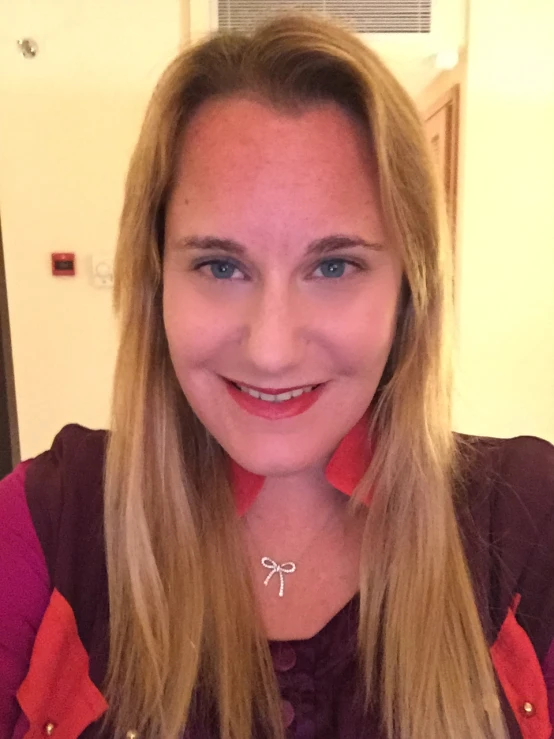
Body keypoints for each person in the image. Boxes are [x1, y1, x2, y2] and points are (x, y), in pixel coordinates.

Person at [0, 12, 553, 739]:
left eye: (333, 265)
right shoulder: (53, 520)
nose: (270, 348)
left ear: (408, 290)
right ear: (155, 281)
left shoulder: (527, 523)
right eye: (221, 265)